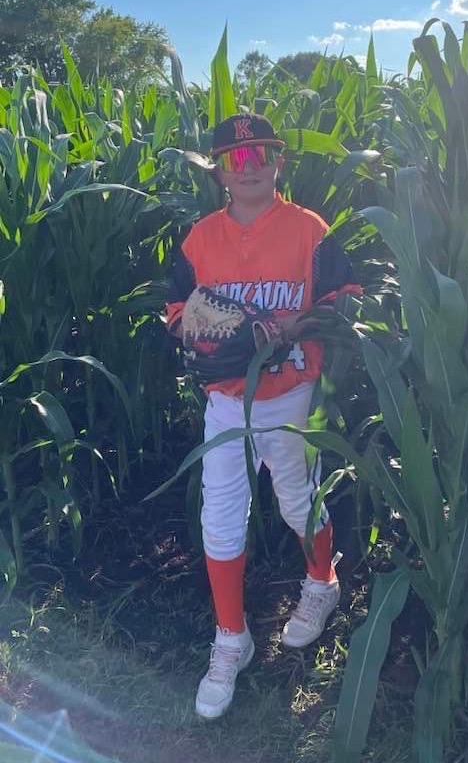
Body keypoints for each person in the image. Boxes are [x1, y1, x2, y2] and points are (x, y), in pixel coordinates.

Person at [165, 113, 361, 720]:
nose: (248, 168)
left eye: (260, 156)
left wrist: (291, 326)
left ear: (279, 162)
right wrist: (209, 330)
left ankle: (322, 583)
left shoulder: (308, 230)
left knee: (298, 499)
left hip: (291, 390)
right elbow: (175, 311)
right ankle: (232, 638)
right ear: (218, 172)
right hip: (227, 399)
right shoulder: (199, 239)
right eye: (235, 159)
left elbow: (346, 298)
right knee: (221, 515)